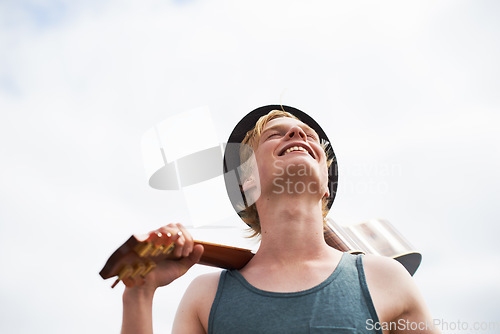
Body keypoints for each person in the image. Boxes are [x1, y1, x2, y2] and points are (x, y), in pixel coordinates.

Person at [121, 105, 439, 334]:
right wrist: (140, 291)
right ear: (246, 181)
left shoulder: (386, 280)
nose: (298, 132)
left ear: (326, 185)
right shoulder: (206, 297)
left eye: (308, 135)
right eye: (275, 135)